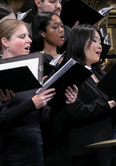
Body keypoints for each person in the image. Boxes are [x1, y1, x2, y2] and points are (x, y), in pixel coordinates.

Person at [64, 24, 116, 166]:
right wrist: (111, 104)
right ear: (79, 42)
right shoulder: (71, 75)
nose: (100, 46)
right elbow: (77, 112)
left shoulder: (101, 76)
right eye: (94, 41)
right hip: (91, 151)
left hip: (114, 148)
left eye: (100, 41)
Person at [0, 19, 77, 166]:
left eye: (28, 36)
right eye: (22, 37)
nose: (29, 40)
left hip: (36, 153)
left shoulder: (34, 73)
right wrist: (32, 103)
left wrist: (62, 101)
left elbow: (44, 120)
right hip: (9, 156)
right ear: (5, 42)